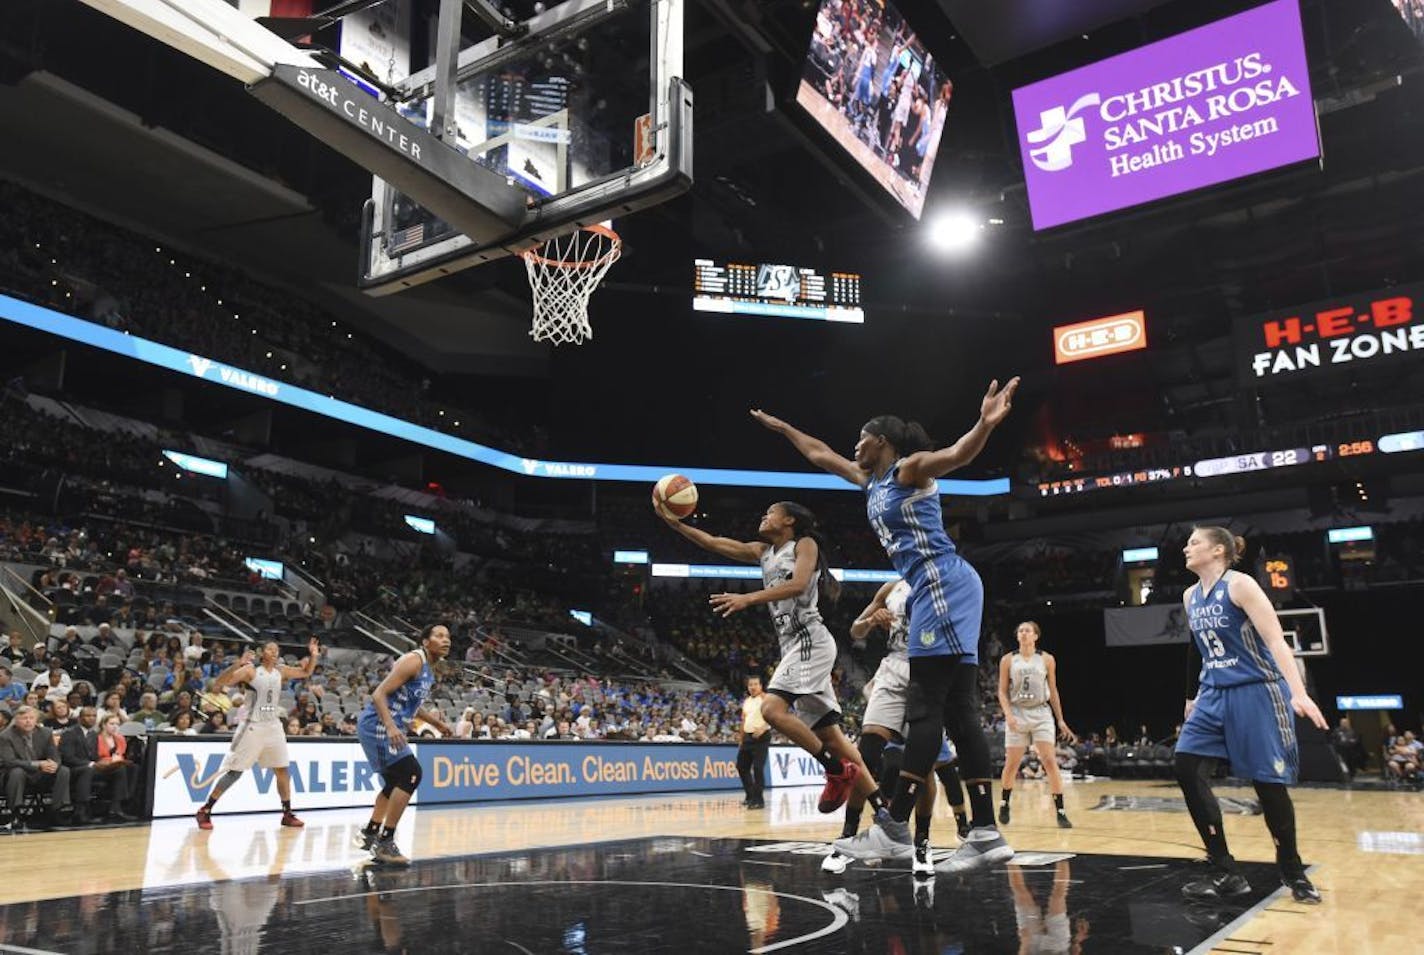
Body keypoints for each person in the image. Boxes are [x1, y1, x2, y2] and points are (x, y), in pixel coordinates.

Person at [751, 377, 1019, 875]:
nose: (855, 444)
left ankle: (894, 827)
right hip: (938, 588)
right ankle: (983, 832)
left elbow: (959, 454)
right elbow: (818, 453)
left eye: (862, 436)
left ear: (884, 441)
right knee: (958, 710)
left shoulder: (907, 469)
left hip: (942, 583)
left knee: (926, 707)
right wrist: (782, 426)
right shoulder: (867, 480)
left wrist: (985, 422)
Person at [656, 499, 877, 818]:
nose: (764, 515)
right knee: (832, 737)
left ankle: (835, 771)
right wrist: (675, 524)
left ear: (789, 521)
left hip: (809, 640)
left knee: (772, 709)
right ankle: (884, 811)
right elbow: (714, 542)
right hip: (792, 646)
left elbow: (798, 584)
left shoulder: (805, 543)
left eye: (770, 512)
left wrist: (748, 598)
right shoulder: (763, 552)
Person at [1174, 526, 1328, 903]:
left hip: (1256, 689)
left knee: (1267, 784)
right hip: (1213, 692)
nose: (1186, 548)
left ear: (1219, 550)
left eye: (1194, 542)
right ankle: (1225, 870)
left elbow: (1275, 640)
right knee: (1185, 765)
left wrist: (1298, 692)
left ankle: (1292, 871)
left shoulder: (1241, 585)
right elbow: (1197, 648)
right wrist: (1192, 695)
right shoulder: (1190, 595)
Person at [826, 576, 968, 877]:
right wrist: (872, 621)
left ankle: (921, 843)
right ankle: (847, 837)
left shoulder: (946, 583)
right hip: (892, 669)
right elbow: (855, 629)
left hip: (929, 672)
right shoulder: (892, 587)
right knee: (864, 754)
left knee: (924, 766)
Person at [194, 638, 320, 830]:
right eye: (270, 649)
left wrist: (314, 656)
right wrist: (238, 663)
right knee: (235, 772)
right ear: (262, 653)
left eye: (277, 649)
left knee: (282, 770)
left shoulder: (281, 670)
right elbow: (220, 682)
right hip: (252, 726)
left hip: (273, 725)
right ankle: (205, 809)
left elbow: (306, 672)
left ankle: (287, 813)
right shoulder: (250, 671)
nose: (275, 652)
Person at [356, 624, 454, 866]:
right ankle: (385, 842)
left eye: (448, 637)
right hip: (378, 725)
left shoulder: (429, 668)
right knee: (411, 773)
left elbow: (414, 704)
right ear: (425, 641)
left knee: (394, 782)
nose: (446, 640)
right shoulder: (414, 660)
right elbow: (379, 693)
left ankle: (370, 832)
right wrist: (390, 726)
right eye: (439, 636)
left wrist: (437, 724)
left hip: (389, 725)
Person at [997, 621, 1076, 829]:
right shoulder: (1007, 660)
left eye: (1027, 630)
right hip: (1017, 712)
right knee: (1012, 763)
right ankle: (1004, 803)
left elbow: (1054, 690)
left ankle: (1061, 811)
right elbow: (1001, 691)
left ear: (1035, 636)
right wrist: (1008, 715)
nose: (1023, 633)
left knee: (1050, 761)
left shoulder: (1047, 659)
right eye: (1020, 630)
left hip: (1040, 711)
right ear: (1017, 636)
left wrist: (1060, 720)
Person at [0, 705, 74, 829]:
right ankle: (16, 813)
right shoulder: (5, 736)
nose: (28, 721)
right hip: (17, 774)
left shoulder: (45, 733)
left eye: (31, 718)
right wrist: (38, 765)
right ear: (16, 720)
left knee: (63, 770)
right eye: (24, 718)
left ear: (36, 720)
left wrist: (53, 764)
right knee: (16, 772)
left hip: (42, 773)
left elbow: (55, 756)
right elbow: (10, 762)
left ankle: (57, 810)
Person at [736, 675, 771, 809]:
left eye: (755, 684)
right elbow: (743, 720)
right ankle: (750, 795)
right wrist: (741, 738)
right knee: (741, 766)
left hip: (761, 737)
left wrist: (764, 728)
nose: (753, 687)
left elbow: (774, 715)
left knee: (757, 768)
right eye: (750, 684)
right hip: (747, 737)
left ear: (761, 686)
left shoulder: (766, 698)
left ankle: (759, 800)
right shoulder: (747, 701)